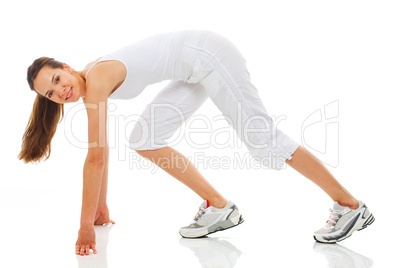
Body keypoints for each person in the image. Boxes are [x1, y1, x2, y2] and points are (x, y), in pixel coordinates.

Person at [18, 30, 374, 256]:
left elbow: (96, 157)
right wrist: (101, 207)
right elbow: (102, 153)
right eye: (51, 93)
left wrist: (84, 226)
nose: (61, 91)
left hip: (209, 56)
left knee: (263, 141)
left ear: (65, 66)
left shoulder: (95, 81)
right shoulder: (89, 86)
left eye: (57, 78)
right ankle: (219, 206)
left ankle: (350, 205)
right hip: (194, 68)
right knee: (144, 138)